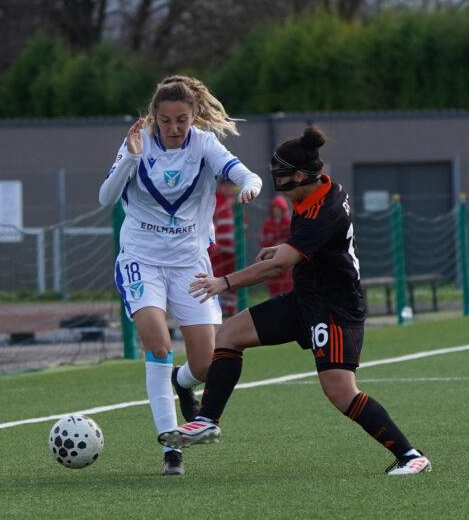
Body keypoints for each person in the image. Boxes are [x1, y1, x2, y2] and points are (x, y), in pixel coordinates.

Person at [172, 126, 431, 476]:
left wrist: (224, 282)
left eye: (279, 173)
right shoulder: (315, 191)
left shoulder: (323, 210)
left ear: (298, 175)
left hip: (335, 309)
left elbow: (278, 267)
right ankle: (207, 421)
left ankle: (410, 456)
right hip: (306, 298)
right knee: (229, 334)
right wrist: (285, 247)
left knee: (340, 391)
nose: (275, 179)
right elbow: (312, 248)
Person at [98, 75, 263, 476]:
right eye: (166, 120)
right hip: (141, 260)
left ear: (194, 117)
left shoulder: (204, 144)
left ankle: (183, 381)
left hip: (190, 264)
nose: (174, 128)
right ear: (154, 116)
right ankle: (171, 447)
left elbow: (245, 173)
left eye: (182, 120)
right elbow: (106, 197)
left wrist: (249, 186)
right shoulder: (137, 142)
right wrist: (131, 158)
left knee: (206, 366)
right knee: (157, 344)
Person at [208, 184, 238, 317]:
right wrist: (213, 244)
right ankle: (216, 307)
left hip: (233, 249)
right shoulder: (215, 201)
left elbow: (242, 222)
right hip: (218, 250)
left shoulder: (234, 201)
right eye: (228, 185)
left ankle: (230, 308)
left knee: (232, 277)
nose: (230, 189)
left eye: (232, 186)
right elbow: (210, 222)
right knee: (217, 276)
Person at [258, 194, 294, 297]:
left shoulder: (288, 222)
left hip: (286, 258)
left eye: (278, 208)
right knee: (273, 282)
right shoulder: (268, 223)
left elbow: (292, 239)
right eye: (274, 208)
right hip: (271, 258)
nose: (276, 211)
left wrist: (281, 243)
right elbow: (263, 239)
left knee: (287, 284)